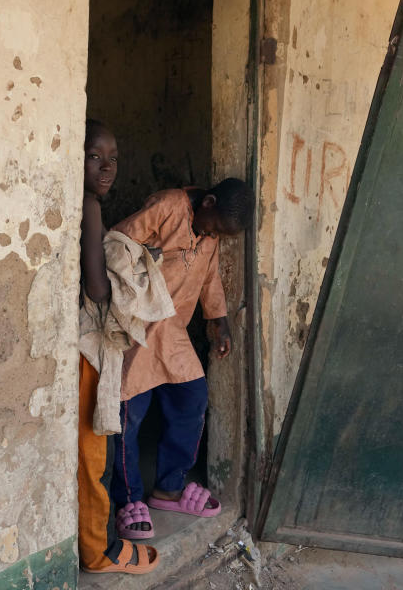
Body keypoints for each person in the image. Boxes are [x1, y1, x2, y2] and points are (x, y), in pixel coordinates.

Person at [109, 179, 254, 538]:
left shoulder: (210, 235)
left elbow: (210, 279)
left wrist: (218, 323)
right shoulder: (169, 205)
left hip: (172, 332)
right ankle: (129, 500)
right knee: (127, 415)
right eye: (215, 226)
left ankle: (169, 488)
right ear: (207, 202)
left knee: (192, 399)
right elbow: (116, 245)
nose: (213, 235)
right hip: (136, 329)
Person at [78, 119, 159, 575]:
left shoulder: (84, 201)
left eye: (113, 159)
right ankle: (100, 551)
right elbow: (95, 288)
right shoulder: (89, 206)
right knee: (96, 455)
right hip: (89, 346)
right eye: (95, 157)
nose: (106, 168)